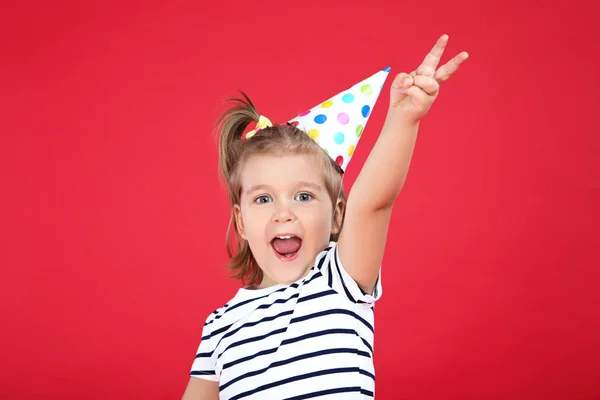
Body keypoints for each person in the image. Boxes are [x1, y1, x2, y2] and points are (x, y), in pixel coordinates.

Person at [182, 34, 469, 399]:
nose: (283, 213)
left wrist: (403, 117)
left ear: (337, 217)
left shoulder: (339, 280)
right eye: (263, 199)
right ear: (240, 220)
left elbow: (373, 203)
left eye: (303, 196)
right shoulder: (220, 326)